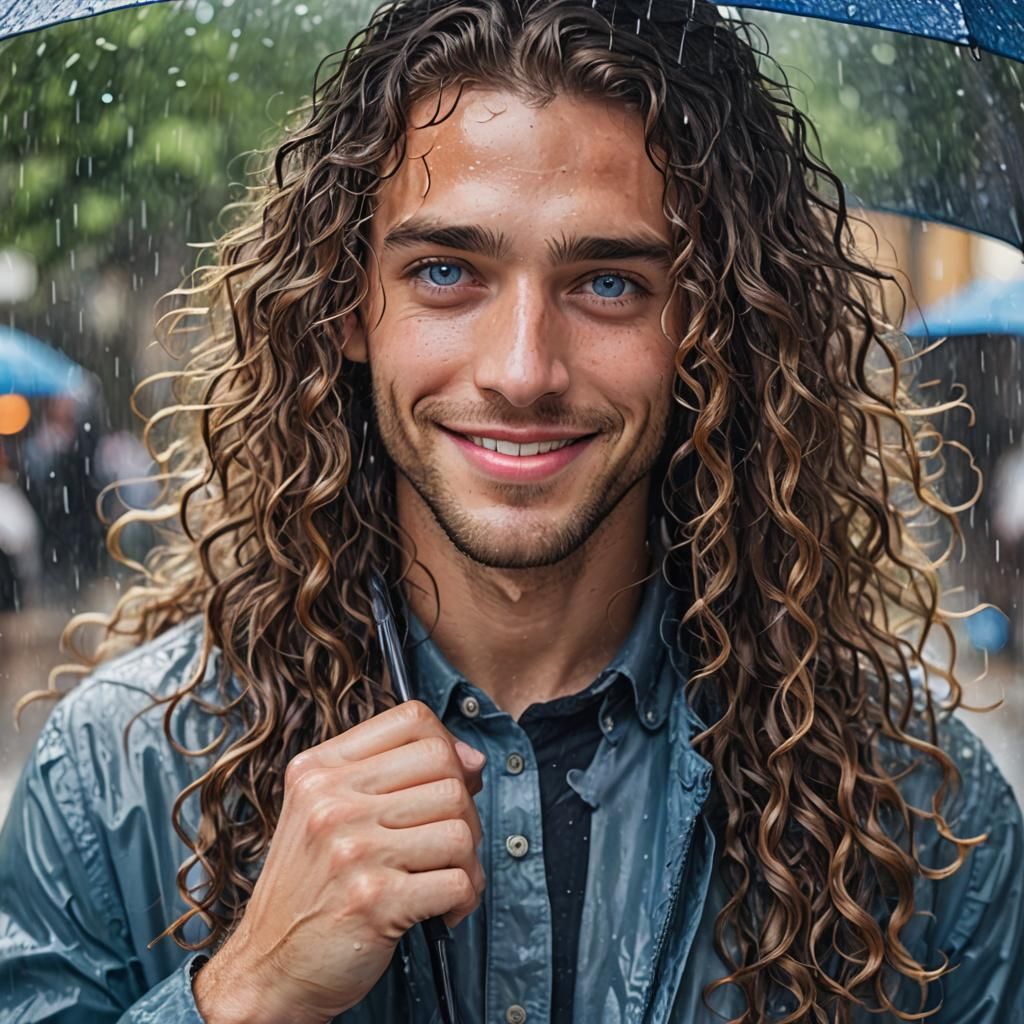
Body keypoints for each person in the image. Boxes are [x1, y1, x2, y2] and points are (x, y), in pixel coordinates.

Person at [1, 0, 1022, 1021]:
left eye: (610, 283)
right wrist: (245, 991)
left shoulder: (921, 817)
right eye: (446, 272)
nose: (522, 370)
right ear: (349, 306)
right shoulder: (118, 777)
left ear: (712, 326)